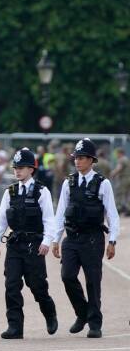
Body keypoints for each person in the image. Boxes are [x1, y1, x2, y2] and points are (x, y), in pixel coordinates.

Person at [52, 138, 119, 338]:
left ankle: (95, 324)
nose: (77, 161)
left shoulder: (103, 183)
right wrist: (56, 239)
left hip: (93, 239)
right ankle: (82, 313)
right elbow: (61, 213)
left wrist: (113, 241)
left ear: (91, 160)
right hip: (72, 239)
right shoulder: (68, 182)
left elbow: (112, 214)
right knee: (67, 276)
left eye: (81, 158)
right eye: (76, 158)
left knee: (93, 281)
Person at [0, 148, 57, 339]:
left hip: (34, 244)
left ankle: (49, 313)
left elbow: (49, 220)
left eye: (21, 168)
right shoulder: (9, 192)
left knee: (37, 285)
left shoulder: (41, 191)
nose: (17, 171)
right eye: (15, 168)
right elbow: (2, 220)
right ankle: (15, 326)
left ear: (31, 169)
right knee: (11, 284)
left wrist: (47, 241)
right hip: (15, 244)